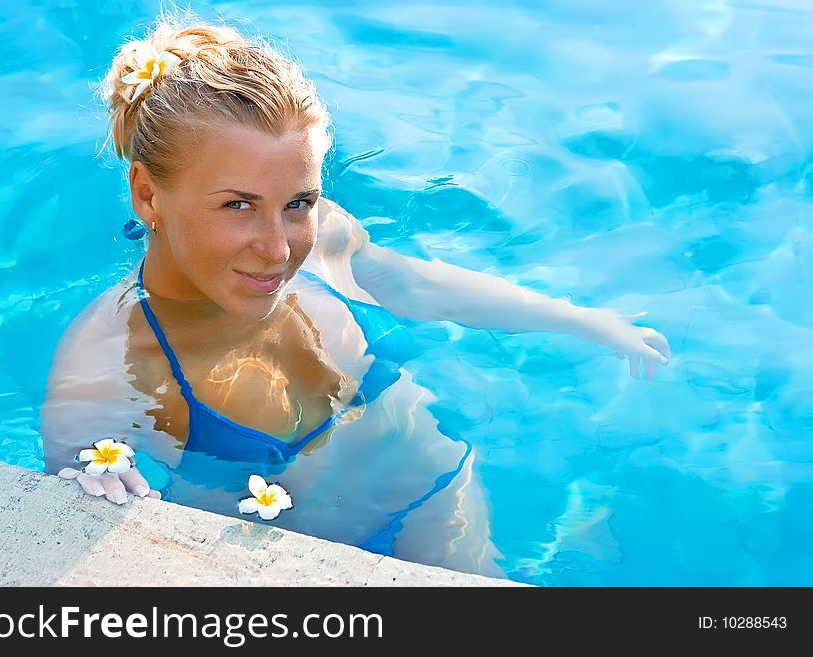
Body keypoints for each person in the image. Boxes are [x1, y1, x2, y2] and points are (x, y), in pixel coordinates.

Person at [41, 17, 671, 579]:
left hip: (432, 487)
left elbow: (418, 285)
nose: (278, 248)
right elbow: (83, 492)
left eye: (298, 202)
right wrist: (92, 481)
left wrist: (581, 320)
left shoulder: (325, 240)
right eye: (238, 205)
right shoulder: (108, 362)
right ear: (148, 196)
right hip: (291, 561)